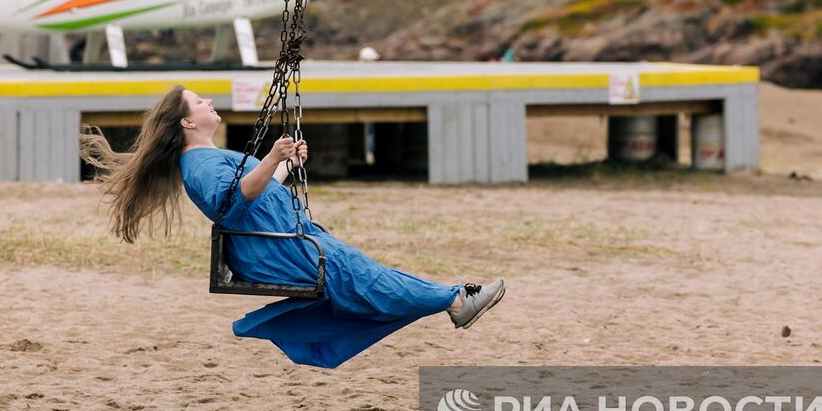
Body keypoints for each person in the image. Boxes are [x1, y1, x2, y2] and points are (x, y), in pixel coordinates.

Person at [82, 85, 505, 368]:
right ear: (188, 123)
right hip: (278, 250)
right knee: (365, 279)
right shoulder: (200, 163)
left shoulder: (208, 157)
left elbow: (256, 194)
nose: (208, 101)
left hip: (289, 240)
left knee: (368, 277)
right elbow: (231, 204)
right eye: (198, 101)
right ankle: (454, 299)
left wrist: (284, 165)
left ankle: (453, 299)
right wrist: (270, 159)